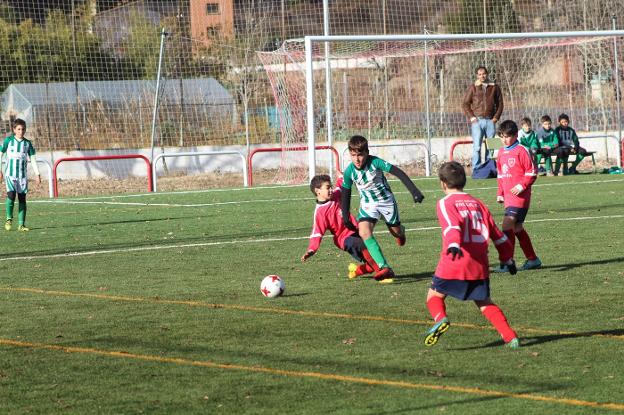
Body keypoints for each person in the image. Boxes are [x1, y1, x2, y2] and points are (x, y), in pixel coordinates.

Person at [424, 161, 519, 349]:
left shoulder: (444, 203)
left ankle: (441, 319)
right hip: (479, 262)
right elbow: (498, 236)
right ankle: (510, 337)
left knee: (434, 296)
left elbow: (452, 226)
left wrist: (453, 244)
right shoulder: (478, 203)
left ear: (442, 183)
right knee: (484, 302)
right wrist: (507, 258)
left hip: (456, 258)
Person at [341, 135, 425, 279]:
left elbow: (398, 172)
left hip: (386, 202)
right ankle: (384, 267)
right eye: (353, 155)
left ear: (366, 153)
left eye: (360, 155)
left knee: (396, 232)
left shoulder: (375, 162)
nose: (357, 159)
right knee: (364, 232)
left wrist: (414, 191)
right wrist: (345, 215)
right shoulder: (349, 171)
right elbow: (346, 192)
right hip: (368, 205)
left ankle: (401, 232)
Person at [301, 174, 384, 282]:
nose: (331, 189)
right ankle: (382, 275)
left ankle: (356, 271)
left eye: (331, 186)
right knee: (362, 246)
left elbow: (340, 186)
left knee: (372, 261)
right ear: (318, 191)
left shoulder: (335, 195)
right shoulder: (319, 213)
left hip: (355, 230)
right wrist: (311, 249)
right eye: (327, 187)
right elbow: (317, 232)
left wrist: (341, 176)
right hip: (343, 239)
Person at [494, 120, 542, 272]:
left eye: (507, 136)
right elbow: (501, 175)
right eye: (501, 136)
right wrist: (500, 193)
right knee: (516, 228)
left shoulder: (522, 150)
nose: (504, 139)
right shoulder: (501, 152)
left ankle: (508, 263)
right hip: (508, 197)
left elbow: (532, 172)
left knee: (507, 226)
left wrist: (521, 186)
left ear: (515, 135)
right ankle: (533, 259)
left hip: (520, 197)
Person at [0, 118, 41, 231]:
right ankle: (9, 219)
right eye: (18, 129)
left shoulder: (27, 144)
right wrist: (0, 170)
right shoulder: (8, 141)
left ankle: (21, 225)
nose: (21, 131)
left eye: (23, 129)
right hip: (10, 174)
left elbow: (32, 159)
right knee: (11, 196)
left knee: (22, 199)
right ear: (14, 130)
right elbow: (1, 154)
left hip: (22, 176)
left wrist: (37, 174)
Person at [462, 66, 504, 171]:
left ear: (487, 74)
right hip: (477, 121)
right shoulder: (473, 87)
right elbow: (465, 104)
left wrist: (496, 118)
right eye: (480, 74)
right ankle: (476, 169)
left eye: (484, 74)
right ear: (477, 75)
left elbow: (500, 104)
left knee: (491, 146)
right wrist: (472, 117)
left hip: (491, 121)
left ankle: (489, 168)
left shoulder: (494, 87)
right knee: (477, 147)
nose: (482, 76)